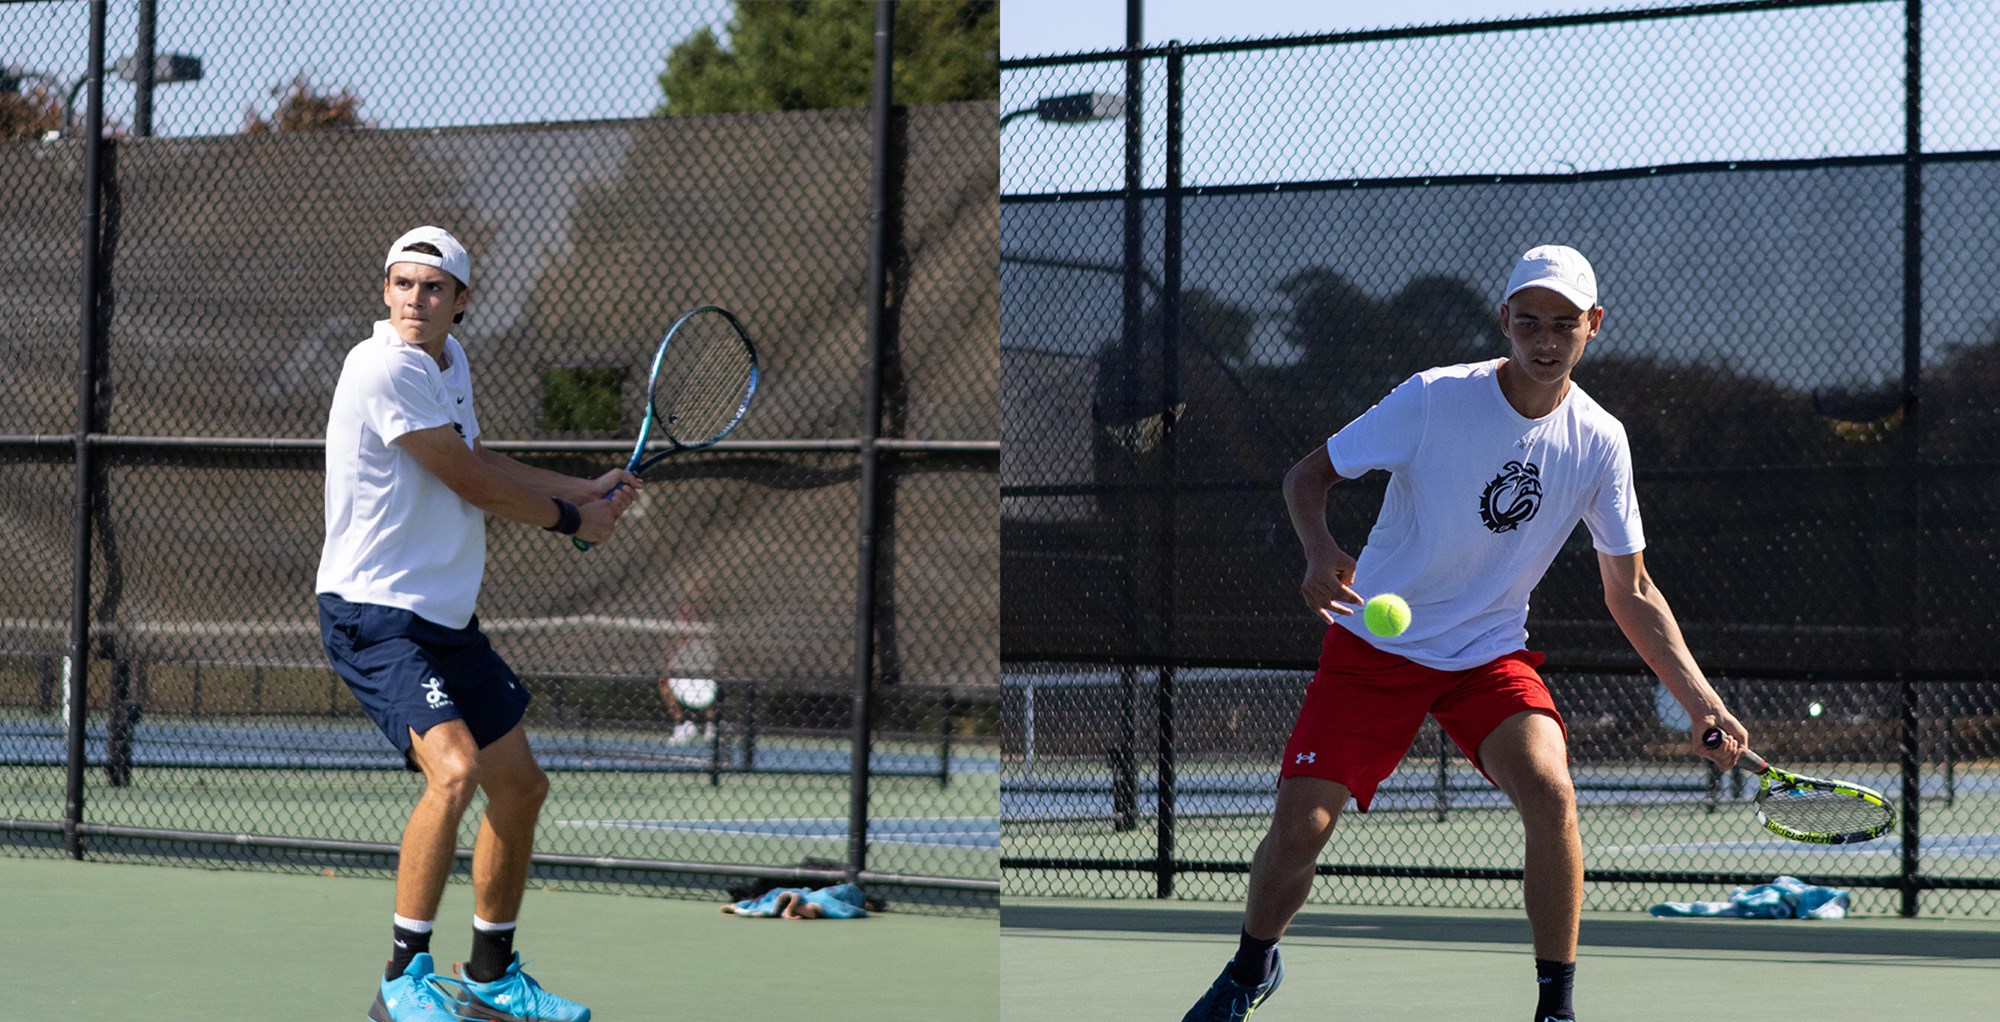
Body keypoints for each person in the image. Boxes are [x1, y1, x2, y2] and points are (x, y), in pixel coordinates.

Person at [1179, 245, 1751, 1022]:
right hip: (1372, 649)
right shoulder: (1432, 399)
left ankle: (1556, 1008)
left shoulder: (1599, 440)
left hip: (1487, 654)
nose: (1545, 342)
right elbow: (1306, 476)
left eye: (1563, 325)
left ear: (1593, 326)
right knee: (1299, 831)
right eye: (1529, 324)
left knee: (1552, 793)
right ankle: (1251, 968)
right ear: (1505, 321)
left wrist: (1702, 700)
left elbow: (1634, 589)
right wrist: (1320, 552)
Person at [317, 226, 640, 1022]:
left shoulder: (448, 364)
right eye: (401, 284)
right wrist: (572, 522)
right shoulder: (381, 364)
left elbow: (483, 458)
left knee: (521, 787)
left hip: (444, 620)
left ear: (462, 301)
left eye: (432, 288)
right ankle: (402, 980)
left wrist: (584, 486)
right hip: (374, 613)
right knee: (454, 771)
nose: (413, 301)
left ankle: (492, 975)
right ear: (384, 290)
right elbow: (464, 479)